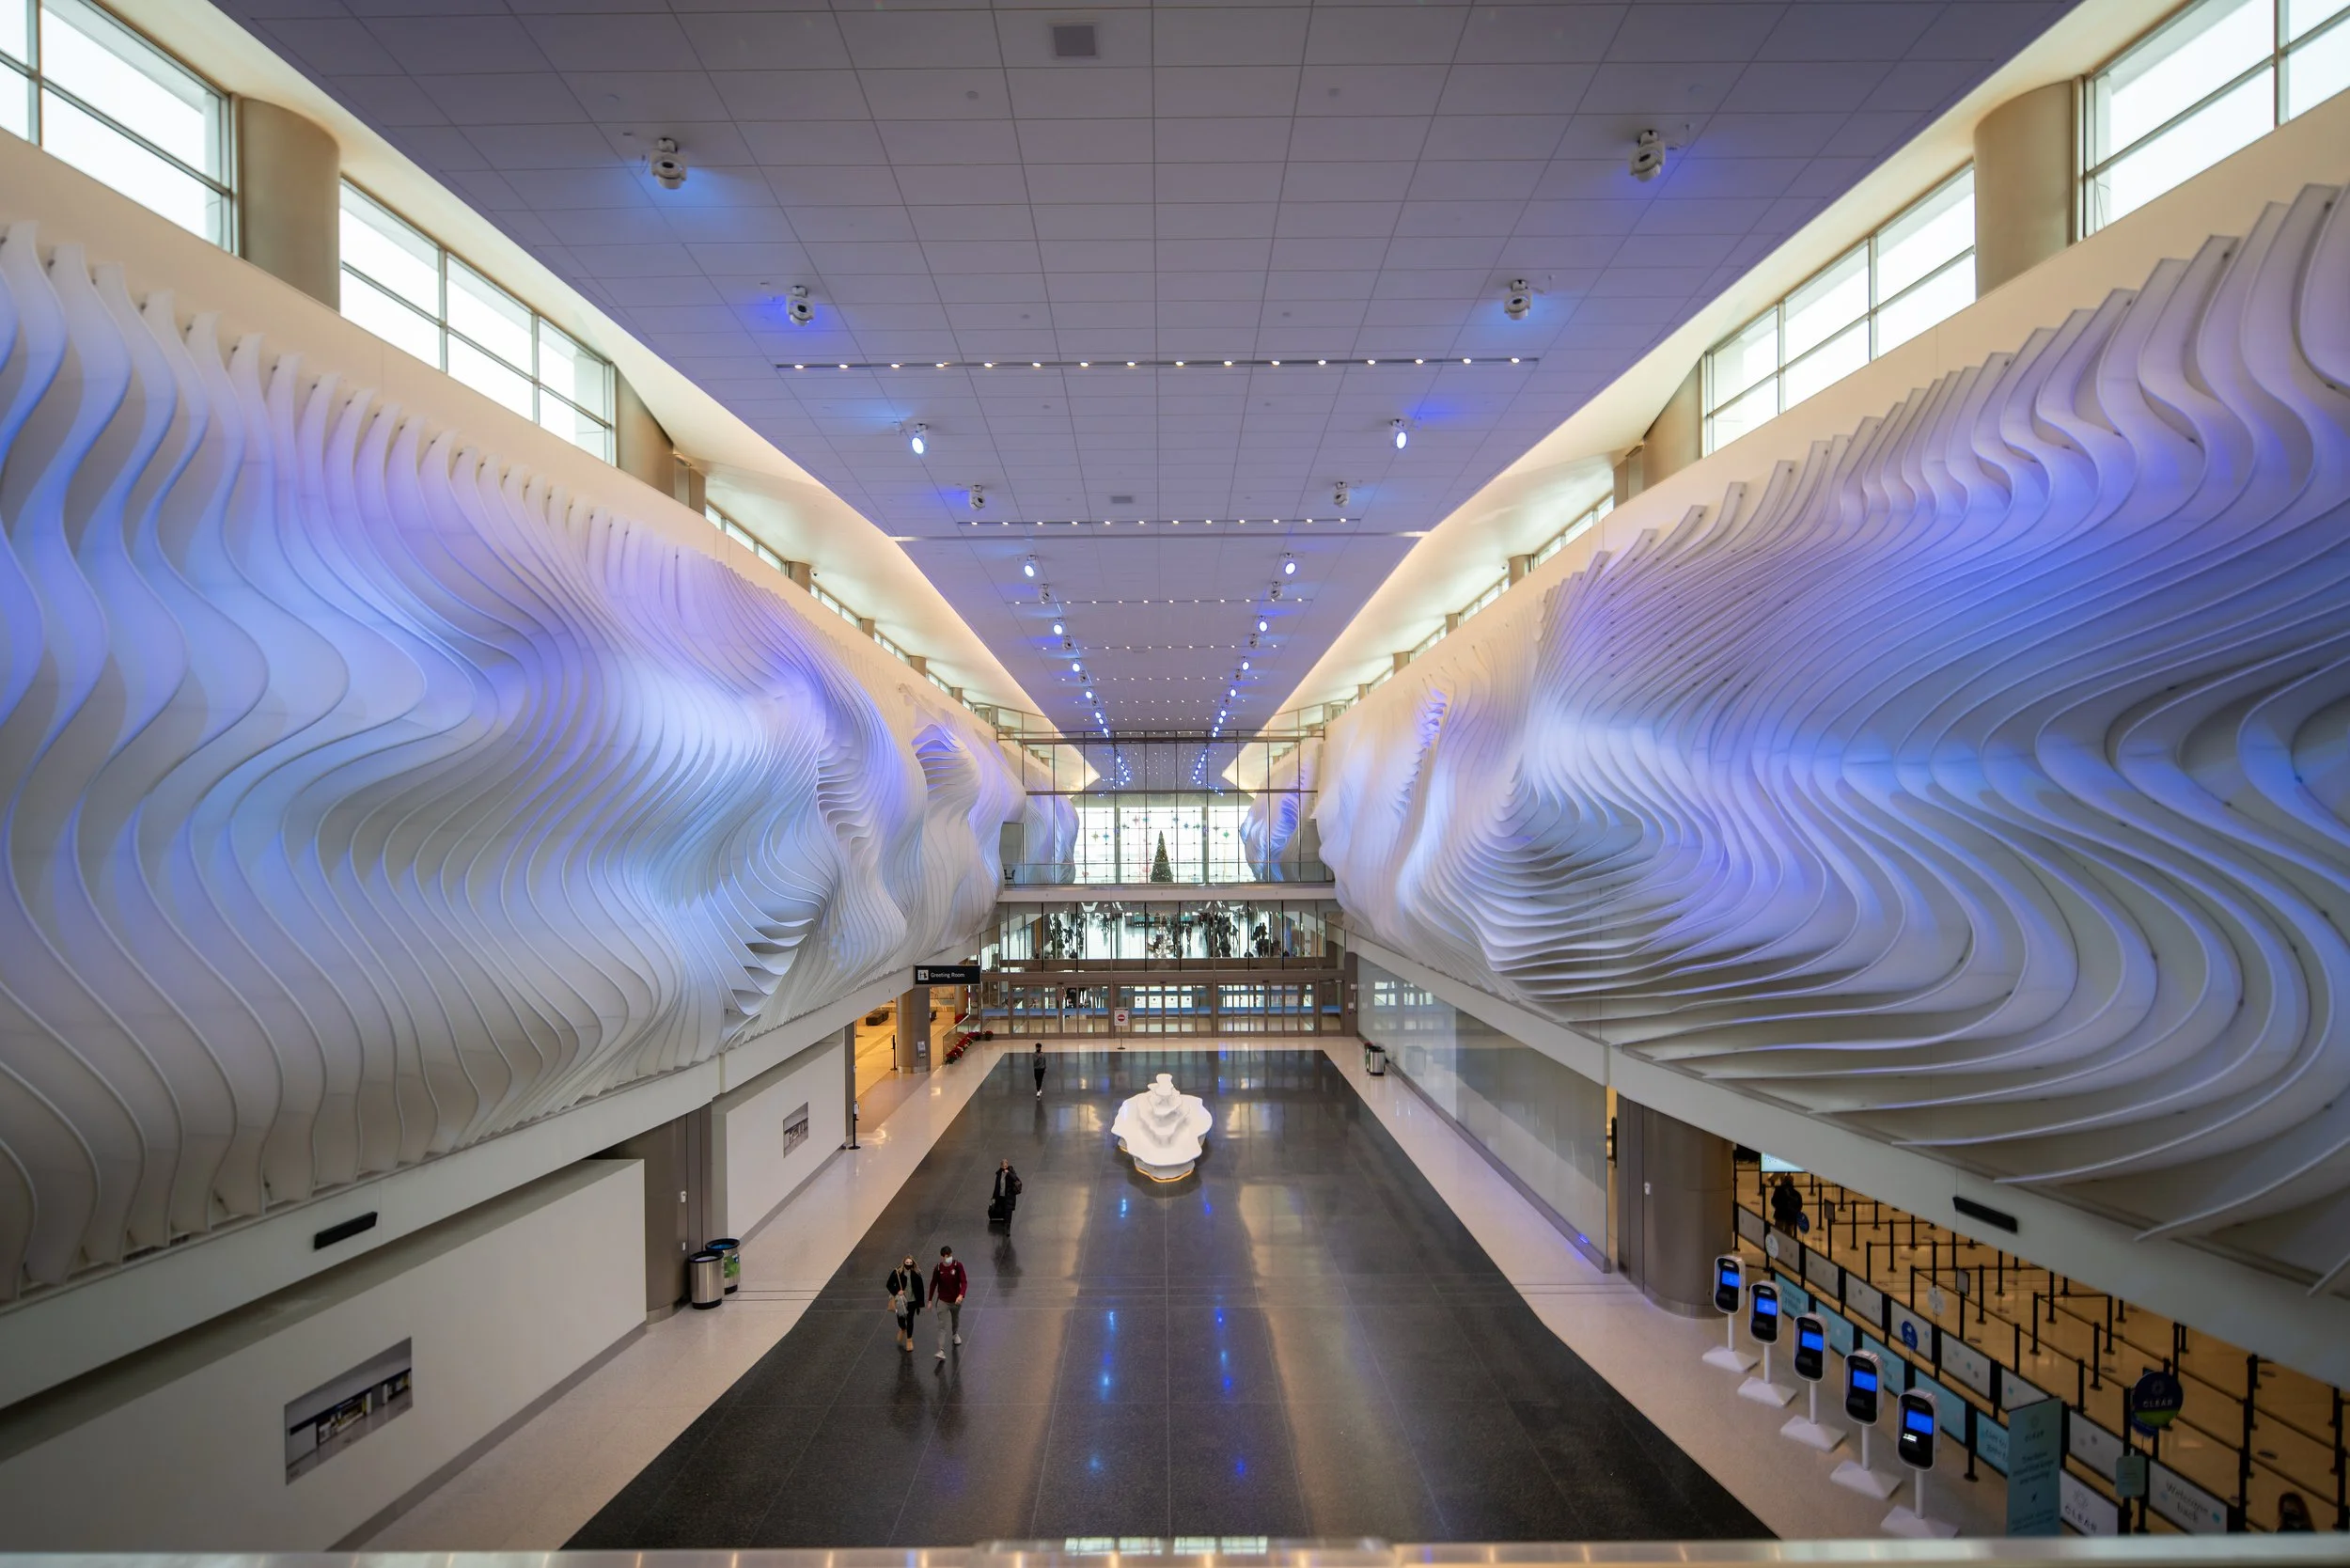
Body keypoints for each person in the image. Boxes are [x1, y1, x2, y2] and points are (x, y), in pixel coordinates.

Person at [930, 1244, 968, 1360]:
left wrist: (961, 1294)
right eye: (946, 1256)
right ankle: (940, 1350)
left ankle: (955, 1334)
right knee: (942, 1325)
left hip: (956, 1301)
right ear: (942, 1257)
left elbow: (964, 1282)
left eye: (949, 1255)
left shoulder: (958, 1265)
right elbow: (933, 1284)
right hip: (943, 1301)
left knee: (955, 1319)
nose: (948, 1258)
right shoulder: (938, 1268)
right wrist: (930, 1300)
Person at [885, 1253, 926, 1352]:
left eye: (910, 1262)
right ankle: (902, 1328)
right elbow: (889, 1284)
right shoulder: (897, 1272)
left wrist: (920, 1304)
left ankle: (909, 1340)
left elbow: (921, 1289)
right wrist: (897, 1291)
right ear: (904, 1262)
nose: (908, 1264)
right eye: (907, 1262)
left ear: (913, 1263)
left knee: (910, 1320)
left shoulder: (917, 1273)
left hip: (912, 1301)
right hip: (901, 1301)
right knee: (900, 1319)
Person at [992, 1158, 1023, 1229]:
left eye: (1005, 1166)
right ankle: (1005, 1222)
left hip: (1009, 1196)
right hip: (1001, 1196)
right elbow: (997, 1186)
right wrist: (994, 1196)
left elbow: (1016, 1179)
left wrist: (1008, 1173)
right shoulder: (999, 1174)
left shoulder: (1011, 1172)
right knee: (1003, 1209)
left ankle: (1008, 1227)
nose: (1004, 1168)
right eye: (1003, 1167)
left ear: (1007, 1165)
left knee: (1008, 1211)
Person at [1771, 1172, 1804, 1239]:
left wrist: (1779, 1207)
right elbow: (1799, 1207)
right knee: (1788, 1237)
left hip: (1780, 1215)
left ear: (1784, 1181)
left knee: (1777, 1234)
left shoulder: (1779, 1190)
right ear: (1792, 1182)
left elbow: (1773, 1202)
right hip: (1790, 1218)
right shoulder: (1796, 1194)